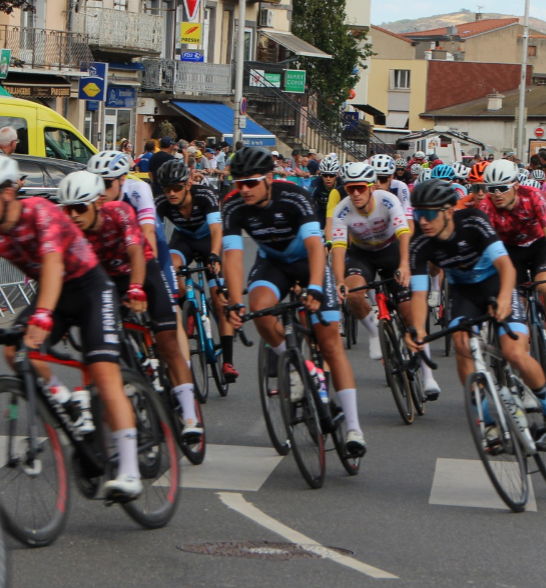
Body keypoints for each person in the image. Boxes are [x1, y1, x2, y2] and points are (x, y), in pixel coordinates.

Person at [0, 154, 145, 502]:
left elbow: (54, 263)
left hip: (88, 286)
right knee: (14, 351)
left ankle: (130, 470)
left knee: (104, 373)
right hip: (52, 293)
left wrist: (42, 315)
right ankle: (66, 400)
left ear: (8, 192)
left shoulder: (39, 212)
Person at [403, 180, 546, 452]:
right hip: (465, 294)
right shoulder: (419, 243)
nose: (423, 221)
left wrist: (505, 298)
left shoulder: (473, 220)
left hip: (497, 284)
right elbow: (420, 295)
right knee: (461, 345)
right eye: (418, 214)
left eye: (430, 214)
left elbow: (505, 266)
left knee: (515, 353)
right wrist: (417, 330)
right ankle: (488, 423)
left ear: (448, 211)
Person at [222, 147, 366, 456]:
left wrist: (315, 288)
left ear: (269, 179)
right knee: (258, 308)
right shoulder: (233, 206)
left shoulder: (294, 197)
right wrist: (234, 301)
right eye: (238, 183)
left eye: (251, 182)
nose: (244, 189)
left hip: (306, 261)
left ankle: (353, 427)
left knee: (329, 342)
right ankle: (295, 366)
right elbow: (232, 257)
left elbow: (316, 247)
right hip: (272, 263)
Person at [59, 167, 203, 442]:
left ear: (98, 202)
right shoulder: (69, 231)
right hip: (108, 283)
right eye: (68, 210)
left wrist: (137, 288)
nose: (73, 215)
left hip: (142, 272)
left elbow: (136, 253)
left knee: (168, 342)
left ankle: (189, 415)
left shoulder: (119, 213)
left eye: (79, 207)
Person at [329, 163, 439, 398]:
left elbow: (404, 233)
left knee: (411, 313)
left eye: (360, 188)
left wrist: (404, 264)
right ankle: (373, 332)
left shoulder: (388, 200)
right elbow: (338, 250)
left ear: (370, 187)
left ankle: (428, 374)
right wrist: (339, 281)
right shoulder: (342, 210)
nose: (355, 194)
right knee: (354, 292)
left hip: (392, 250)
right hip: (362, 255)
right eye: (350, 189)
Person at [477, 160, 546, 370]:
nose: (496, 194)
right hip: (510, 252)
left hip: (539, 245)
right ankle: (524, 361)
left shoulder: (533, 196)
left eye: (502, 188)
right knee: (515, 305)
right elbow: (483, 246)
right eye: (491, 189)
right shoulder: (485, 206)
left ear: (515, 185)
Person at [153, 159, 240, 384]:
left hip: (208, 240)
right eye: (167, 189)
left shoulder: (205, 196)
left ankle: (228, 361)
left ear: (188, 184)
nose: (171, 193)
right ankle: (188, 309)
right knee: (170, 270)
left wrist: (214, 255)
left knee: (220, 300)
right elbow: (154, 236)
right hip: (183, 240)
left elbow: (216, 229)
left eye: (177, 188)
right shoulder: (162, 201)